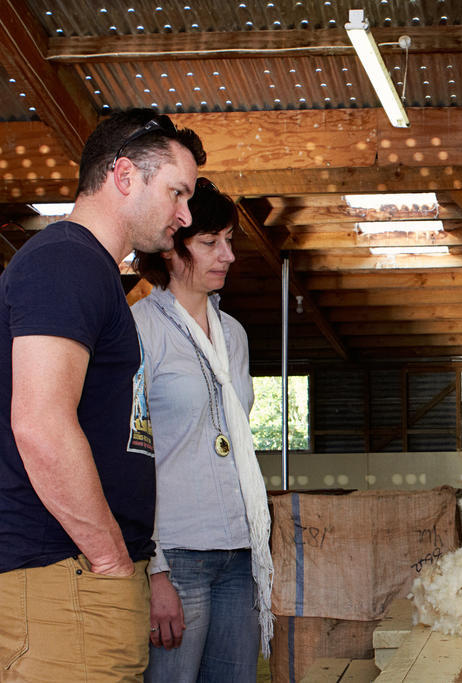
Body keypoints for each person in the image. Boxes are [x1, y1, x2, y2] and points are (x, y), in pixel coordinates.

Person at [0, 109, 205, 679]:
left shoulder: (87, 269)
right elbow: (40, 423)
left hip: (76, 576)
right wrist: (112, 558)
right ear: (123, 176)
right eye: (176, 193)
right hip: (66, 577)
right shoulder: (67, 262)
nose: (184, 215)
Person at [132, 178, 272, 681]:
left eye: (230, 240)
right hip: (177, 551)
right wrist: (156, 570)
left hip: (239, 549)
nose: (228, 255)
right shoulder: (140, 330)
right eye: (211, 242)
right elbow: (130, 460)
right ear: (172, 249)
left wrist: (255, 550)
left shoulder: (233, 334)